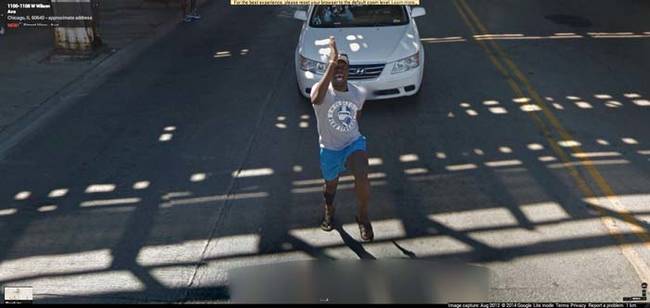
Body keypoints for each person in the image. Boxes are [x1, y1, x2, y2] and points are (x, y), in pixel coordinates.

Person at [310, 36, 374, 242]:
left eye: (343, 67)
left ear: (348, 71)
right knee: (330, 186)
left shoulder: (358, 93)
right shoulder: (320, 91)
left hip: (353, 142)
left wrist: (354, 139)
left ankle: (363, 217)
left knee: (362, 174)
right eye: (335, 67)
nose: (339, 70)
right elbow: (316, 99)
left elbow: (357, 118)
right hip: (330, 148)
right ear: (329, 69)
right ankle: (329, 209)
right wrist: (332, 60)